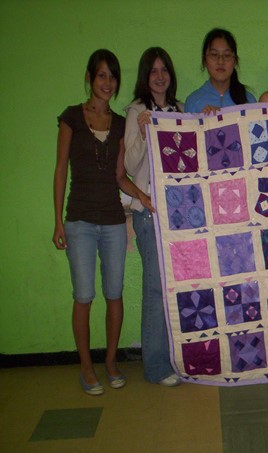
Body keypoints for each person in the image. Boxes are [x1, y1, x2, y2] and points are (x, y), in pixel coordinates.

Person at [52, 49, 153, 395]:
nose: (108, 83)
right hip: (79, 221)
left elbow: (120, 176)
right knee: (83, 296)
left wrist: (143, 197)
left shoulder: (121, 124)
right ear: (90, 78)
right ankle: (86, 368)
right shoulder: (71, 118)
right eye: (101, 76)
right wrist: (58, 222)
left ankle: (110, 362)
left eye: (112, 77)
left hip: (112, 222)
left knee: (114, 294)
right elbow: (60, 170)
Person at [124, 47, 182, 387]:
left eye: (164, 70)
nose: (159, 76)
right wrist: (145, 135)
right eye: (153, 71)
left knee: (174, 288)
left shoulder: (179, 110)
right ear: (145, 77)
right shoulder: (137, 111)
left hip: (176, 213)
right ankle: (156, 366)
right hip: (148, 213)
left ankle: (173, 358)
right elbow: (130, 166)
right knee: (155, 289)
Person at [184, 28, 256, 114]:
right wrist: (203, 119)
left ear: (235, 61)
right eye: (214, 54)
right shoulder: (193, 101)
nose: (221, 61)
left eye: (227, 55)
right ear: (204, 60)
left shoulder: (249, 101)